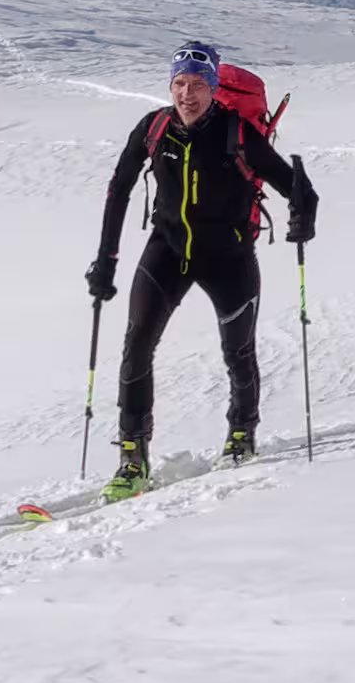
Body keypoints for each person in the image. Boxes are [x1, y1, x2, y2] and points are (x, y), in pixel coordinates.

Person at [87, 39, 316, 491]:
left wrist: (302, 218)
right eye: (179, 83)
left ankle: (241, 433)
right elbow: (119, 189)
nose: (186, 94)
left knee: (238, 352)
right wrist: (106, 261)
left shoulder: (235, 132)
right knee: (136, 347)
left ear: (213, 88)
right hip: (166, 252)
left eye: (197, 84)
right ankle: (132, 460)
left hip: (228, 256)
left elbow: (297, 188)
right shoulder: (153, 128)